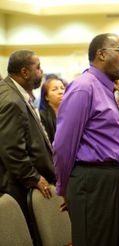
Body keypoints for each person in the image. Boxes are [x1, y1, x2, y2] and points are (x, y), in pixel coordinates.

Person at [53, 33, 119, 246]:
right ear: (101, 54)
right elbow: (64, 144)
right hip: (95, 180)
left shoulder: (111, 91)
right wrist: (64, 188)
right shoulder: (83, 87)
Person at [0, 50, 55, 233]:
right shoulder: (12, 100)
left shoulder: (16, 93)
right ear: (25, 72)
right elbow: (12, 149)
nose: (41, 71)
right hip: (18, 185)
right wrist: (34, 177)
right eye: (38, 68)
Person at [39, 77, 66, 143]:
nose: (61, 92)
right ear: (46, 97)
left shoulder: (71, 114)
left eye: (62, 88)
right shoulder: (41, 116)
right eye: (54, 89)